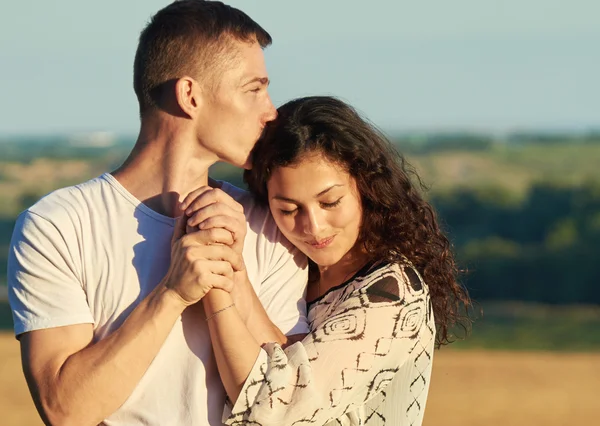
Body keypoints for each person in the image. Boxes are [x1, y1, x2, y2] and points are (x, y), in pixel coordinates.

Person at [7, 2, 308, 425]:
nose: (271, 111)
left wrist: (234, 277)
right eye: (254, 88)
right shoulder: (57, 226)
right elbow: (65, 411)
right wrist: (172, 295)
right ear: (190, 95)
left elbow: (295, 401)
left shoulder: (270, 223)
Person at [186, 96, 472, 425]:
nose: (313, 227)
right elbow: (286, 363)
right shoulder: (293, 267)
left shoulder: (392, 294)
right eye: (288, 210)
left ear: (365, 186)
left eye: (330, 201)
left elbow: (278, 412)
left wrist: (223, 281)